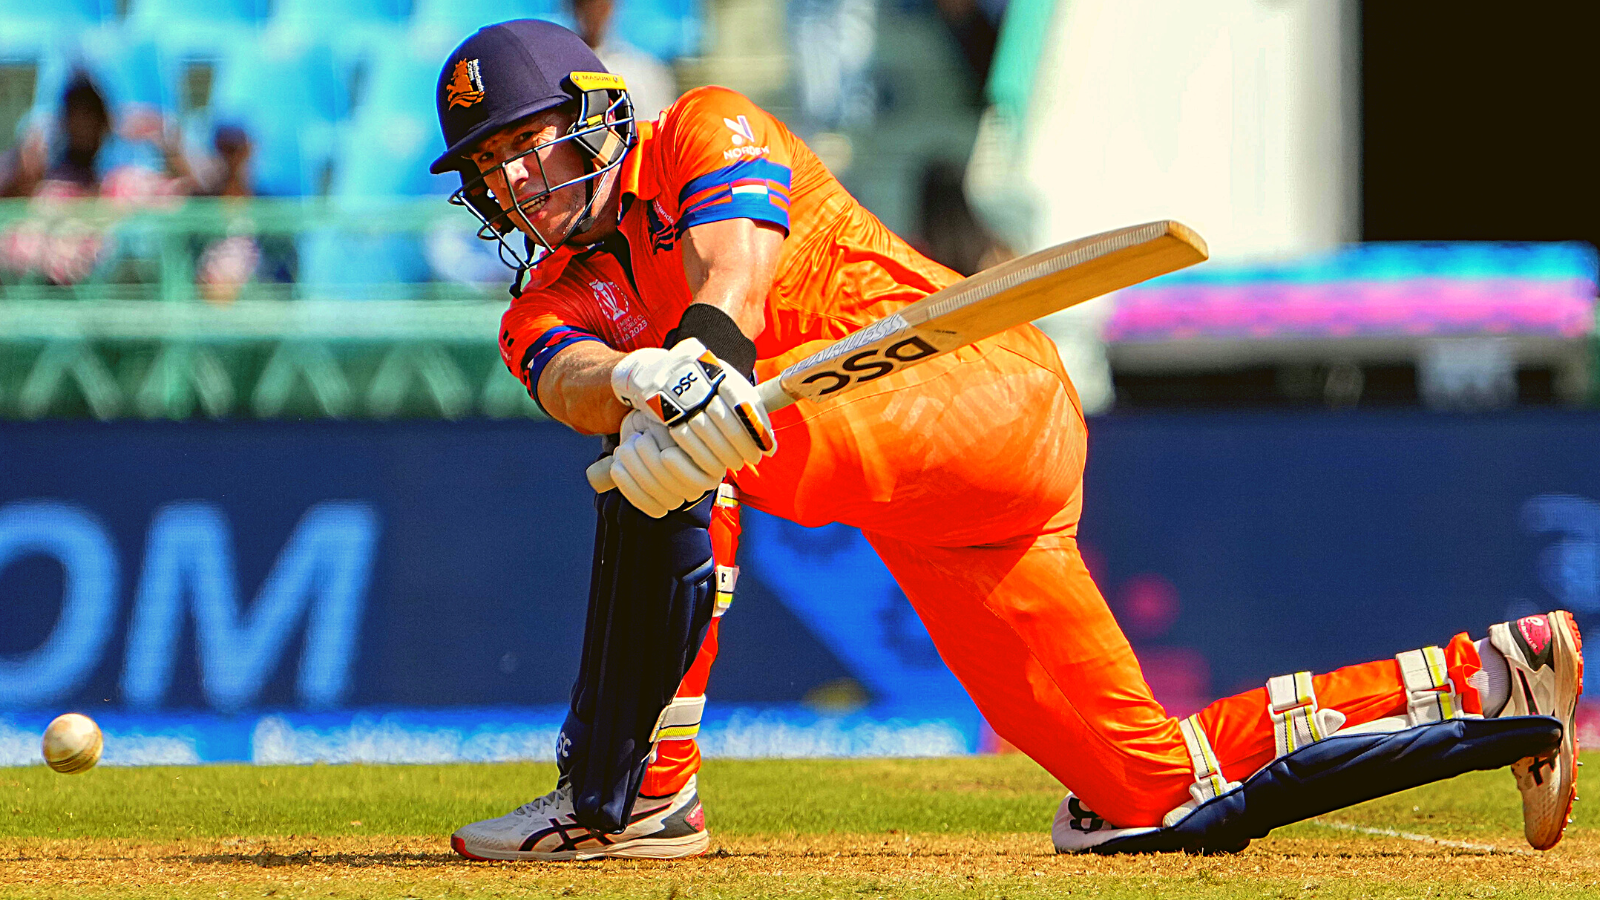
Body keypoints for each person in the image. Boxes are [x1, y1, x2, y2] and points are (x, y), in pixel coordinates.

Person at [428, 20, 1584, 860]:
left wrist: (696, 360)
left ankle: (635, 798)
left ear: (598, 115)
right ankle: (1494, 683)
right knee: (1146, 797)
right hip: (934, 519)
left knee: (690, 446)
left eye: (533, 142)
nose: (522, 181)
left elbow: (734, 259)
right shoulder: (546, 300)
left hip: (972, 396)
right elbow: (570, 381)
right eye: (494, 170)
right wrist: (634, 371)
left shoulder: (702, 127)